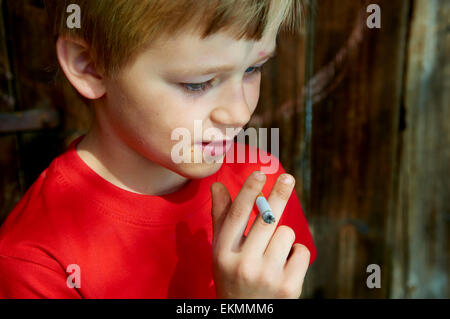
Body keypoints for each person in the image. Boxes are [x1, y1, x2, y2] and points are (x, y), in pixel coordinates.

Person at [0, 0, 316, 298]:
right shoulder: (37, 262)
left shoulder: (263, 182)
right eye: (198, 83)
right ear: (90, 66)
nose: (240, 113)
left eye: (252, 69)